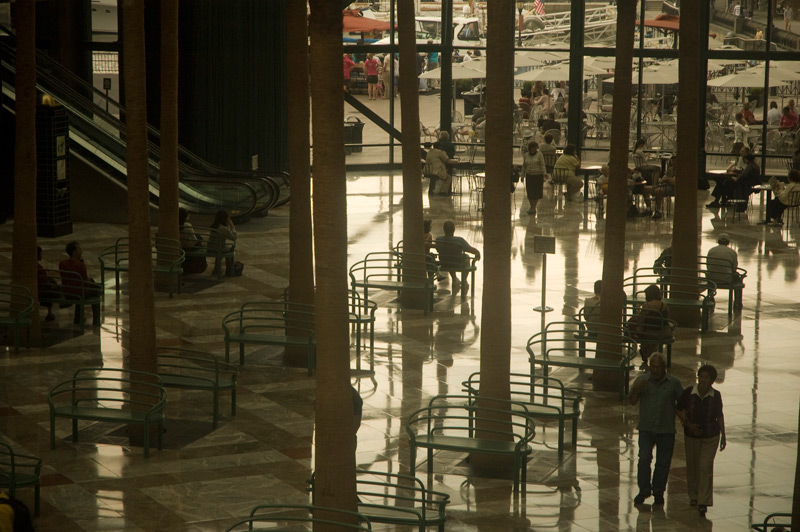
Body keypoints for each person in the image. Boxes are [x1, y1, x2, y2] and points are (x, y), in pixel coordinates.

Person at [629, 352, 683, 507]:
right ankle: (644, 490)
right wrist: (636, 389)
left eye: (658, 367)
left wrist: (682, 417)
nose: (655, 370)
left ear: (664, 367)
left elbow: (682, 402)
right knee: (644, 459)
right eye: (653, 366)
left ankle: (658, 492)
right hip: (646, 428)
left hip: (666, 429)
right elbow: (632, 402)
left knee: (663, 463)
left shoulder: (673, 383)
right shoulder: (642, 380)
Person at [677, 365, 727, 516]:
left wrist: (724, 435)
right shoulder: (688, 393)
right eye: (702, 377)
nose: (703, 380)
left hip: (711, 436)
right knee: (693, 466)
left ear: (712, 381)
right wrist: (688, 424)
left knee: (705, 466)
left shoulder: (716, 396)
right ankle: (694, 496)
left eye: (707, 378)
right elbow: (678, 408)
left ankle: (703, 501)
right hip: (691, 436)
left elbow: (719, 415)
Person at [58, 241, 102, 325]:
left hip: (67, 291)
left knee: (83, 287)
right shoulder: (80, 265)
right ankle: (96, 321)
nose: (81, 251)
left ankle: (78, 317)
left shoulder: (62, 264)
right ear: (74, 252)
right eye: (79, 249)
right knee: (97, 290)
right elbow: (85, 283)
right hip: (79, 292)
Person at [434, 220, 480, 295]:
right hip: (458, 263)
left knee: (449, 257)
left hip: (444, 263)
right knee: (466, 257)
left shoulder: (438, 240)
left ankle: (454, 278)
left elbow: (438, 249)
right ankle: (464, 280)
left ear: (444, 229)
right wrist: (477, 252)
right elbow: (469, 249)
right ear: (454, 229)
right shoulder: (459, 240)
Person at [628, 284, 670, 365]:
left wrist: (637, 312)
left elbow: (640, 320)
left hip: (649, 332)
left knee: (639, 329)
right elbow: (667, 319)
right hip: (663, 332)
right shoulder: (664, 305)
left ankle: (645, 351)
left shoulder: (647, 305)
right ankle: (650, 352)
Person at [707, 233, 744, 311]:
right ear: (728, 242)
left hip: (711, 279)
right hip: (726, 279)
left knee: (711, 272)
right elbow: (734, 268)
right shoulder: (732, 252)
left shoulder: (711, 250)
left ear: (718, 241)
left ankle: (710, 298)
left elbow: (708, 265)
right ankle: (737, 303)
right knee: (739, 278)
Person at [210, 209, 239, 276]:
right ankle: (230, 270)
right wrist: (232, 226)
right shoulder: (223, 229)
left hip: (210, 246)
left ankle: (217, 269)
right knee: (231, 249)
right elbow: (234, 237)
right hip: (218, 248)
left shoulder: (214, 226)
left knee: (223, 247)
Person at [180, 208, 208, 274]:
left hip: (179, 246)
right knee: (199, 238)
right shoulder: (188, 225)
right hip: (188, 247)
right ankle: (202, 266)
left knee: (198, 237)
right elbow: (194, 239)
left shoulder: (174, 224)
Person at [521, 140, 546, 215]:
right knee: (530, 192)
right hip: (529, 175)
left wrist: (544, 173)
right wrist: (522, 175)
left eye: (535, 148)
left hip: (538, 175)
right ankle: (531, 206)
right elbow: (524, 166)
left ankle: (533, 207)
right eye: (532, 148)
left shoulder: (539, 154)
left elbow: (542, 164)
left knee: (536, 192)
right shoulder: (526, 155)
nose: (533, 149)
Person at [37, 246, 59, 321]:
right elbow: (44, 282)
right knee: (54, 290)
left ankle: (49, 313)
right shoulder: (38, 267)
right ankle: (49, 313)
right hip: (42, 290)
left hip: (40, 288)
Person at [652, 154, 676, 219]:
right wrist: (669, 179)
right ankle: (648, 209)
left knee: (658, 191)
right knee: (645, 189)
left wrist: (667, 179)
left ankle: (658, 210)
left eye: (675, 161)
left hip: (673, 189)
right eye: (672, 160)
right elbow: (662, 180)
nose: (673, 162)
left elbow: (674, 183)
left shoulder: (680, 170)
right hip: (664, 185)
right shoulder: (670, 169)